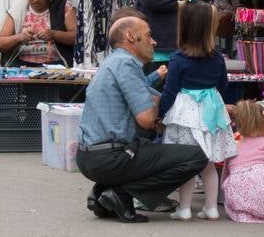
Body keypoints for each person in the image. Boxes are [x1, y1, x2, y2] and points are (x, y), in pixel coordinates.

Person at [76, 15, 209, 223]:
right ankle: (122, 194)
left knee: (147, 143)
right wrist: (156, 106)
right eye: (148, 35)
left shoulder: (114, 62)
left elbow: (151, 95)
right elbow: (146, 118)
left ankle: (102, 192)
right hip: (109, 158)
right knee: (197, 156)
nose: (153, 41)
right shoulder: (126, 65)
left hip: (89, 156)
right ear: (131, 37)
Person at [158, 0, 237, 221]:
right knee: (208, 162)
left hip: (185, 115)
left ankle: (184, 208)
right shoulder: (217, 59)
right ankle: (211, 207)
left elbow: (169, 92)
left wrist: (160, 113)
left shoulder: (177, 59)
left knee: (187, 162)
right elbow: (223, 85)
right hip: (211, 112)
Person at [0, 0, 77, 66]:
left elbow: (77, 38)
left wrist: (55, 35)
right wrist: (19, 38)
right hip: (21, 66)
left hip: (56, 66)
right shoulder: (17, 9)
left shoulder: (64, 7)